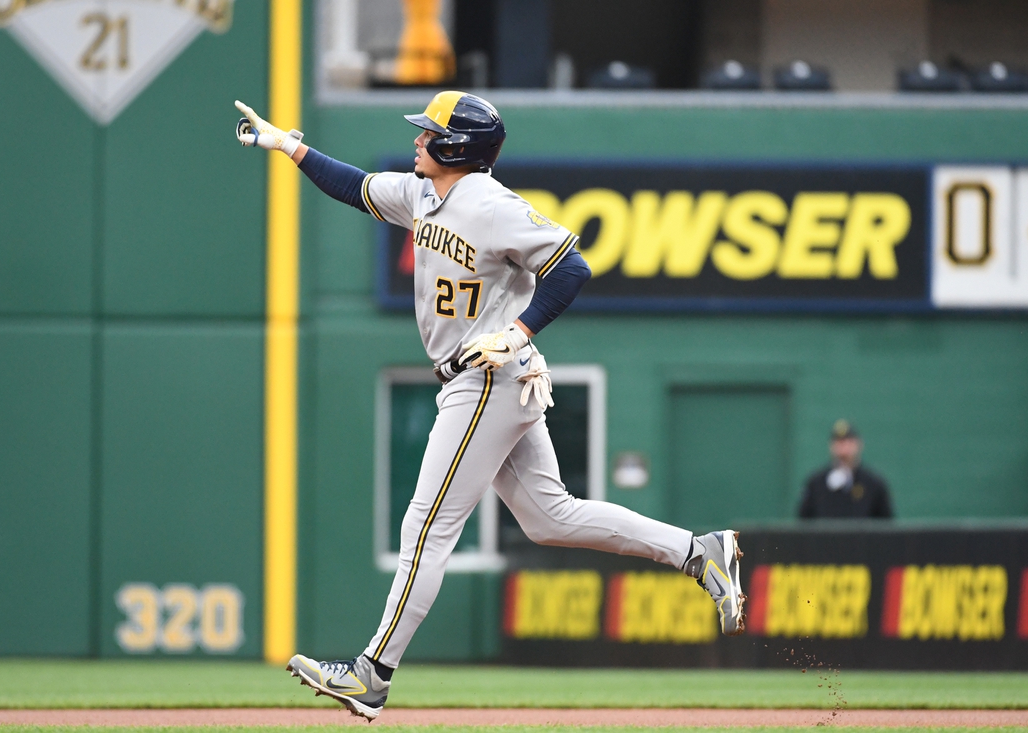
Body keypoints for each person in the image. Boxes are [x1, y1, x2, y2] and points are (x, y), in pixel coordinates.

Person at [234, 91, 746, 720]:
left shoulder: (489, 204)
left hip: (490, 375)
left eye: (429, 133)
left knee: (427, 525)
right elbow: (356, 186)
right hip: (485, 377)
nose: (419, 139)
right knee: (549, 517)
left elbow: (571, 267)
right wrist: (289, 145)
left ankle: (373, 672)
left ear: (456, 147)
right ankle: (698, 551)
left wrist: (521, 330)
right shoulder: (424, 194)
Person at [798, 419, 893, 519]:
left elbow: (886, 524)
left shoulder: (873, 485)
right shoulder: (816, 484)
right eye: (839, 443)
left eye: (849, 443)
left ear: (859, 445)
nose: (844, 450)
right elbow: (804, 521)